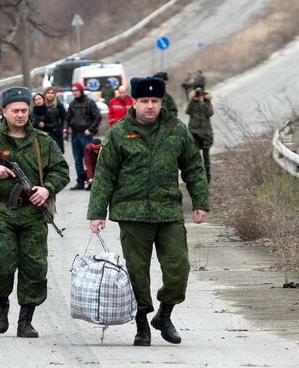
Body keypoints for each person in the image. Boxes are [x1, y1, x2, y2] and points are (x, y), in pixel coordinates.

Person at [88, 77, 209, 347]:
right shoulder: (119, 133)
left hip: (168, 213)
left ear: (162, 102)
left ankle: (164, 315)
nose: (150, 106)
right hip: (132, 215)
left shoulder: (176, 130)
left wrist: (201, 203)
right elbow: (104, 175)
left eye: (155, 101)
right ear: (135, 102)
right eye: (144, 101)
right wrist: (97, 213)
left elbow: (194, 167)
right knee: (136, 273)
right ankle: (142, 324)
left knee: (179, 268)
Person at [0, 86, 69, 338]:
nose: (20, 115)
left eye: (24, 110)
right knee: (1, 263)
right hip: (0, 212)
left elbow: (62, 171)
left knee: (34, 267)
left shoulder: (42, 141)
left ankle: (26, 320)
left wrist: (47, 189)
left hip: (33, 213)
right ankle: (2, 303)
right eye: (15, 111)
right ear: (4, 112)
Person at [65, 82, 101, 190]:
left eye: (76, 90)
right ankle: (80, 182)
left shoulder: (90, 102)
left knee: (88, 160)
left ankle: (92, 181)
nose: (74, 92)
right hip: (75, 135)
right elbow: (67, 118)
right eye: (73, 91)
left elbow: (97, 117)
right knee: (77, 160)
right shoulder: (72, 104)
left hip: (86, 136)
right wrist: (65, 128)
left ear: (81, 90)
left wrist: (90, 129)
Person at [186, 86, 214, 183]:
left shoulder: (207, 102)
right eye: (198, 94)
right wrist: (191, 100)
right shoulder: (192, 103)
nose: (199, 96)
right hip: (195, 133)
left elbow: (210, 113)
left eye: (201, 94)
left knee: (206, 157)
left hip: (206, 133)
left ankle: (208, 178)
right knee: (196, 157)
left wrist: (202, 102)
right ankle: (198, 178)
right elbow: (187, 111)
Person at [42, 86, 66, 153]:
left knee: (57, 154)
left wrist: (62, 129)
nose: (50, 95)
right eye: (48, 93)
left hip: (56, 133)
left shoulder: (59, 105)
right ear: (45, 94)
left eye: (52, 93)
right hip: (45, 133)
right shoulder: (41, 105)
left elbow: (65, 118)